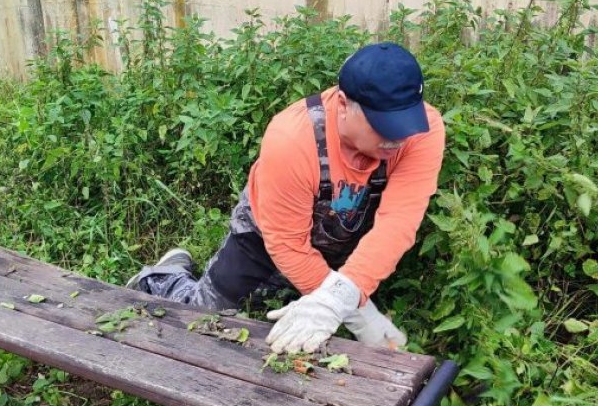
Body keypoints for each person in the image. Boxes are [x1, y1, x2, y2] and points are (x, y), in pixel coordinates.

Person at [129, 42, 445, 354]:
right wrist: (358, 315)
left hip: (342, 235)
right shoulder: (292, 140)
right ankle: (166, 277)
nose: (398, 138)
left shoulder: (423, 131)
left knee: (299, 302)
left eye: (406, 123)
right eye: (384, 126)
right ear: (344, 103)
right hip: (267, 234)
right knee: (202, 319)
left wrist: (342, 297)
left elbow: (399, 220)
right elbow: (288, 244)